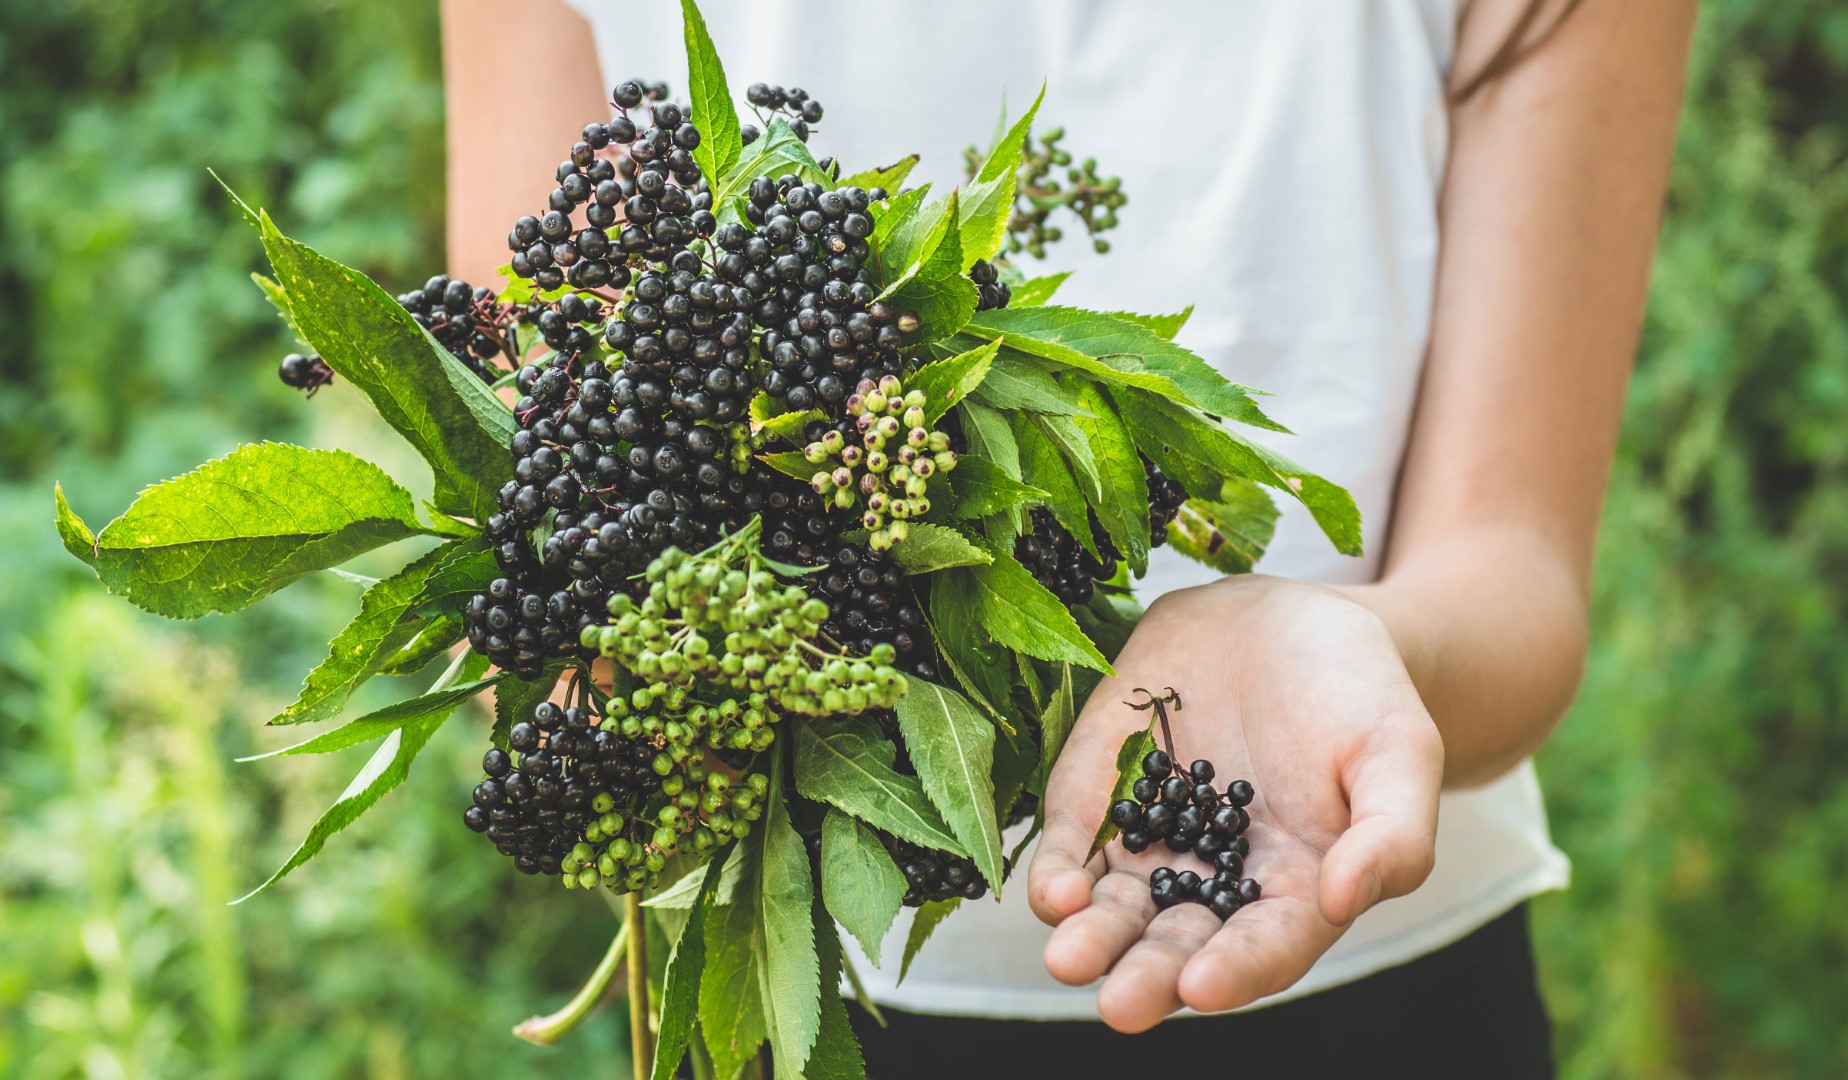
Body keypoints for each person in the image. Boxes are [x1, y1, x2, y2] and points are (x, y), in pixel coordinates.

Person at [442, 0, 1695, 1073]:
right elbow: (544, 466)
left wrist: (1359, 647)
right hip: (814, 990)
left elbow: (1515, 573)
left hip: (1370, 957)